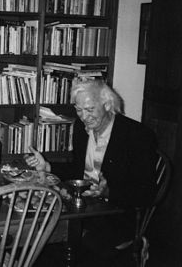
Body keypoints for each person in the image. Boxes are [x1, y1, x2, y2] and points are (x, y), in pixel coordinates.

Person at [25, 79, 158, 262]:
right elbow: (77, 169)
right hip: (83, 205)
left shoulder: (137, 135)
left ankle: (137, 244)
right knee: (38, 231)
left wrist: (109, 192)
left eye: (90, 109)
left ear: (108, 105)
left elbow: (146, 193)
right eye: (79, 110)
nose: (84, 117)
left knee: (71, 244)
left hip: (117, 212)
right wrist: (48, 167)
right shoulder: (81, 128)